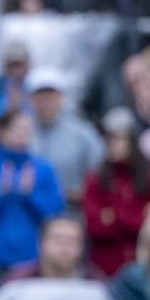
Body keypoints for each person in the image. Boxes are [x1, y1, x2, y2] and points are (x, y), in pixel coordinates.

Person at [0, 108, 65, 271]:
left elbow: (56, 215)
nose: (23, 134)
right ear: (0, 131)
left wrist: (31, 196)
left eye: (27, 129)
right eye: (17, 128)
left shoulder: (43, 168)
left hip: (31, 258)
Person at [83, 107, 150, 279]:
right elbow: (94, 226)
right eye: (108, 138)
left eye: (118, 138)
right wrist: (139, 216)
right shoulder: (96, 179)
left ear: (132, 140)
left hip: (144, 265)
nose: (111, 144)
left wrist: (115, 215)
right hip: (105, 267)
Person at [24, 69, 104, 201]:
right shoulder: (19, 132)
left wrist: (83, 193)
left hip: (73, 212)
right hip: (29, 212)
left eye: (50, 95)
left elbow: (101, 173)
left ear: (61, 97)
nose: (45, 101)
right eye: (39, 95)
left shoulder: (83, 132)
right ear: (30, 99)